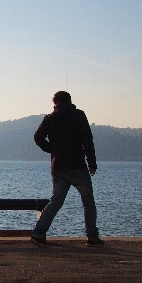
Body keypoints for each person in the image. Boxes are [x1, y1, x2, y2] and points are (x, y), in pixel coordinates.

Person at [31, 91, 103, 247]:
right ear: (70, 101)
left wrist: (52, 150)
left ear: (55, 103)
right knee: (88, 201)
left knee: (55, 201)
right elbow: (87, 140)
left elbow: (37, 137)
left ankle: (38, 232)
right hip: (77, 165)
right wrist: (92, 162)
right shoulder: (78, 115)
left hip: (58, 166)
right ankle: (92, 236)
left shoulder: (50, 118)